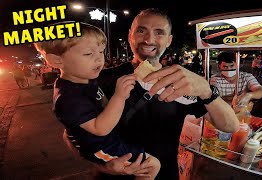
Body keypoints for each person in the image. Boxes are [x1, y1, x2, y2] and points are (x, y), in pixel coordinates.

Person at [95, 8, 239, 179]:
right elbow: (71, 133)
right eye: (141, 31)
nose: (149, 40)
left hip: (164, 173)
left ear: (169, 40)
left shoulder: (180, 80)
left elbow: (231, 126)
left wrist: (207, 91)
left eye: (159, 33)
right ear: (130, 35)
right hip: (111, 176)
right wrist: (103, 167)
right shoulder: (103, 80)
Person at [34, 22, 161, 180]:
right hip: (103, 147)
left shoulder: (84, 79)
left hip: (112, 141)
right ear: (56, 60)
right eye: (88, 54)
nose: (99, 59)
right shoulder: (69, 97)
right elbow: (99, 129)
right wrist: (119, 96)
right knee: (152, 165)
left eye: (101, 52)